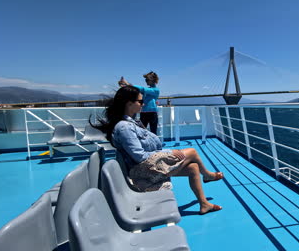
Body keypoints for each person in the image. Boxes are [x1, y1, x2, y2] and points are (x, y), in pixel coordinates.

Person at [93, 86, 223, 215]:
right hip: (142, 171)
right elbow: (139, 156)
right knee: (193, 152)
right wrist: (169, 153)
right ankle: (207, 175)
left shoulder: (133, 123)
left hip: (146, 166)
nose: (143, 104)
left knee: (194, 167)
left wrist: (168, 152)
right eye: (140, 101)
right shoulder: (124, 127)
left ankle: (204, 204)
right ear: (129, 103)